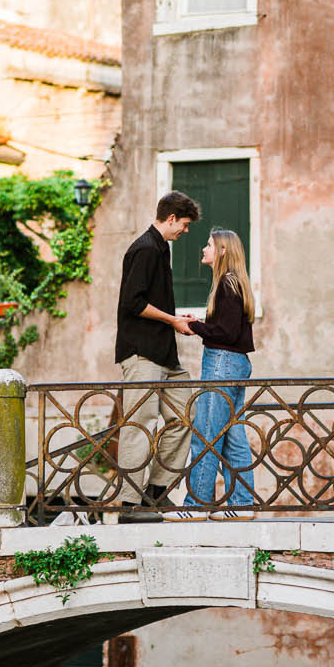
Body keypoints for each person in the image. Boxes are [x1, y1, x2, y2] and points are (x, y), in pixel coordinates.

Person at [112, 191, 200, 511]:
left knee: (185, 416)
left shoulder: (161, 249)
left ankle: (156, 493)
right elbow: (132, 303)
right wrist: (172, 321)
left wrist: (176, 319)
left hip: (165, 355)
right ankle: (130, 504)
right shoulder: (146, 249)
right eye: (185, 225)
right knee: (139, 426)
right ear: (172, 218)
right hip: (141, 353)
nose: (186, 231)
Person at [181, 229, 257, 519]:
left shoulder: (227, 284)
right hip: (236, 363)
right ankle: (241, 505)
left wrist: (195, 326)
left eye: (209, 244)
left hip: (222, 363)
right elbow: (230, 329)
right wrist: (200, 323)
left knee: (208, 435)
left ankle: (197, 505)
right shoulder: (235, 283)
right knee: (233, 436)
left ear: (223, 251)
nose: (204, 248)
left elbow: (225, 332)